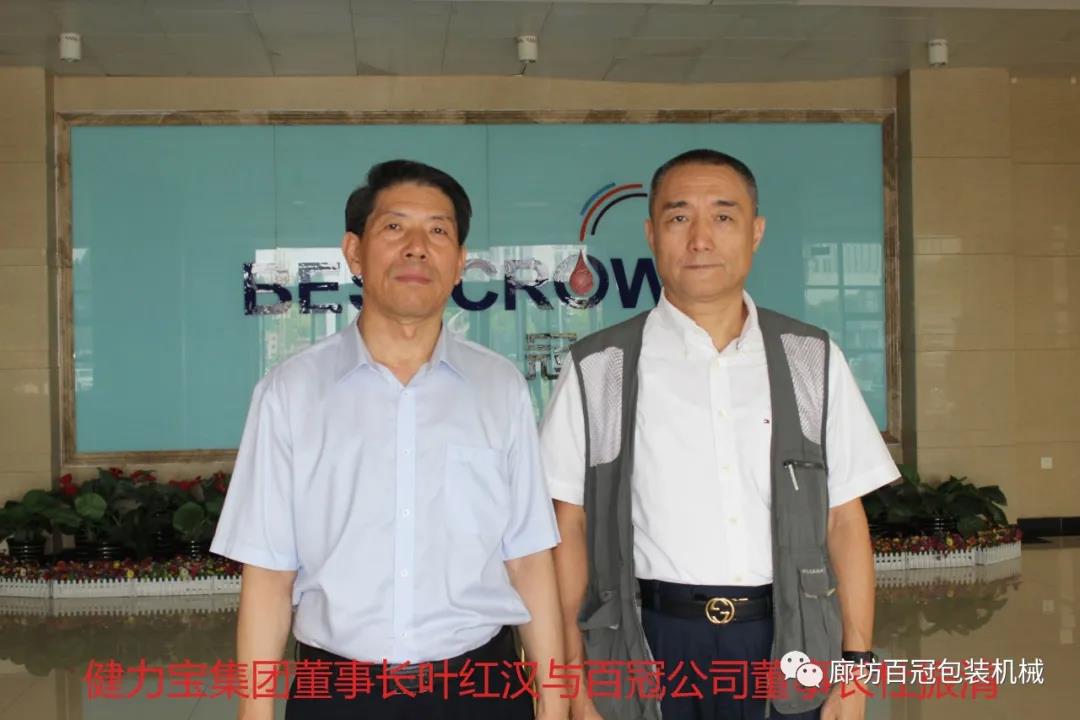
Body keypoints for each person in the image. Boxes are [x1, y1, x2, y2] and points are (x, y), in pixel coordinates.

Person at [541, 149, 898, 720]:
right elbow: (571, 527)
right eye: (680, 216)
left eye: (724, 217)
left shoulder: (810, 357)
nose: (701, 239)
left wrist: (855, 673)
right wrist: (573, 680)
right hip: (644, 641)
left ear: (756, 232)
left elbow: (843, 520)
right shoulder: (599, 365)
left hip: (786, 639)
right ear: (651, 233)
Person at [212, 159, 567, 720]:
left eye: (438, 231)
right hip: (338, 693)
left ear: (459, 263)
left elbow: (527, 558)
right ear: (354, 251)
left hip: (481, 690)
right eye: (395, 227)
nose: (417, 248)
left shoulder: (499, 389)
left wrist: (554, 698)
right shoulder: (291, 392)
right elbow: (269, 575)